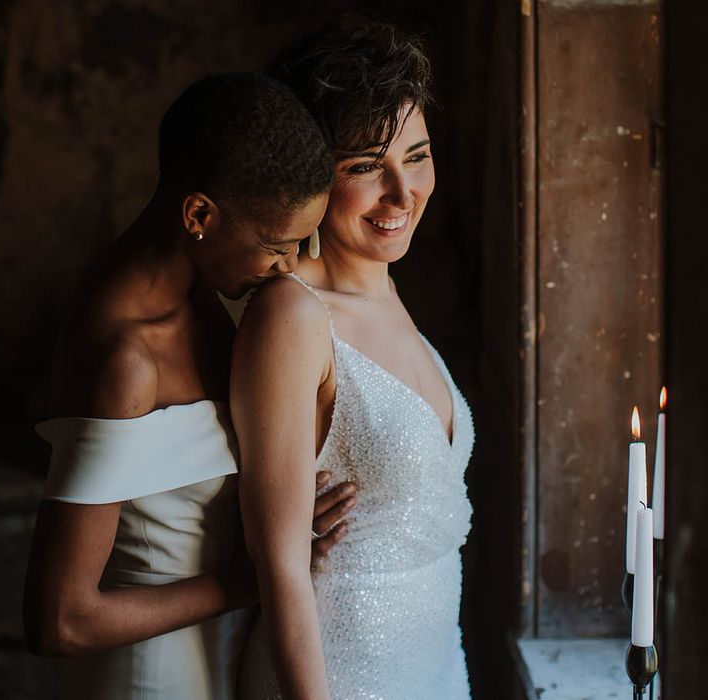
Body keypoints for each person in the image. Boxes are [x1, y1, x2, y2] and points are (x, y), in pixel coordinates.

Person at [22, 72, 358, 700]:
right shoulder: (124, 361)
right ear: (199, 213)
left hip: (222, 652)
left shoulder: (203, 299)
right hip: (147, 677)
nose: (288, 270)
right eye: (275, 247)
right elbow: (59, 621)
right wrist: (257, 574)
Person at [232, 18, 474, 700]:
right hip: (338, 674)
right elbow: (277, 562)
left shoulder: (388, 290)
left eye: (417, 156)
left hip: (436, 669)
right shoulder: (290, 313)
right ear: (313, 176)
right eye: (366, 167)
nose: (403, 194)